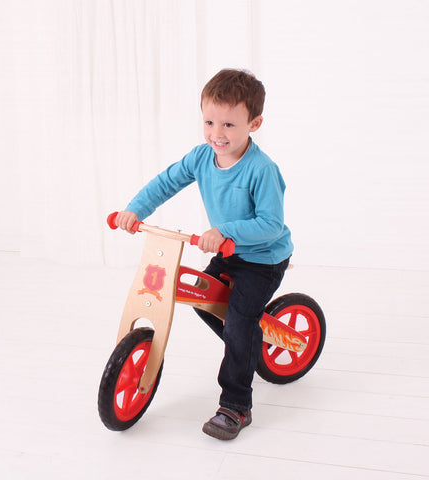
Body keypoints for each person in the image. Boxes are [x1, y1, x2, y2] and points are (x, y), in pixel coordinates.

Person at [115, 69, 293, 440]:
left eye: (229, 124)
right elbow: (166, 182)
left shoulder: (261, 170)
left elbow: (271, 224)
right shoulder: (201, 157)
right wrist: (135, 210)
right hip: (229, 252)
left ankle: (236, 405)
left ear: (254, 123)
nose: (217, 133)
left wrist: (226, 231)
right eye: (209, 121)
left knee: (241, 325)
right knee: (204, 299)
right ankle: (245, 346)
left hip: (262, 259)